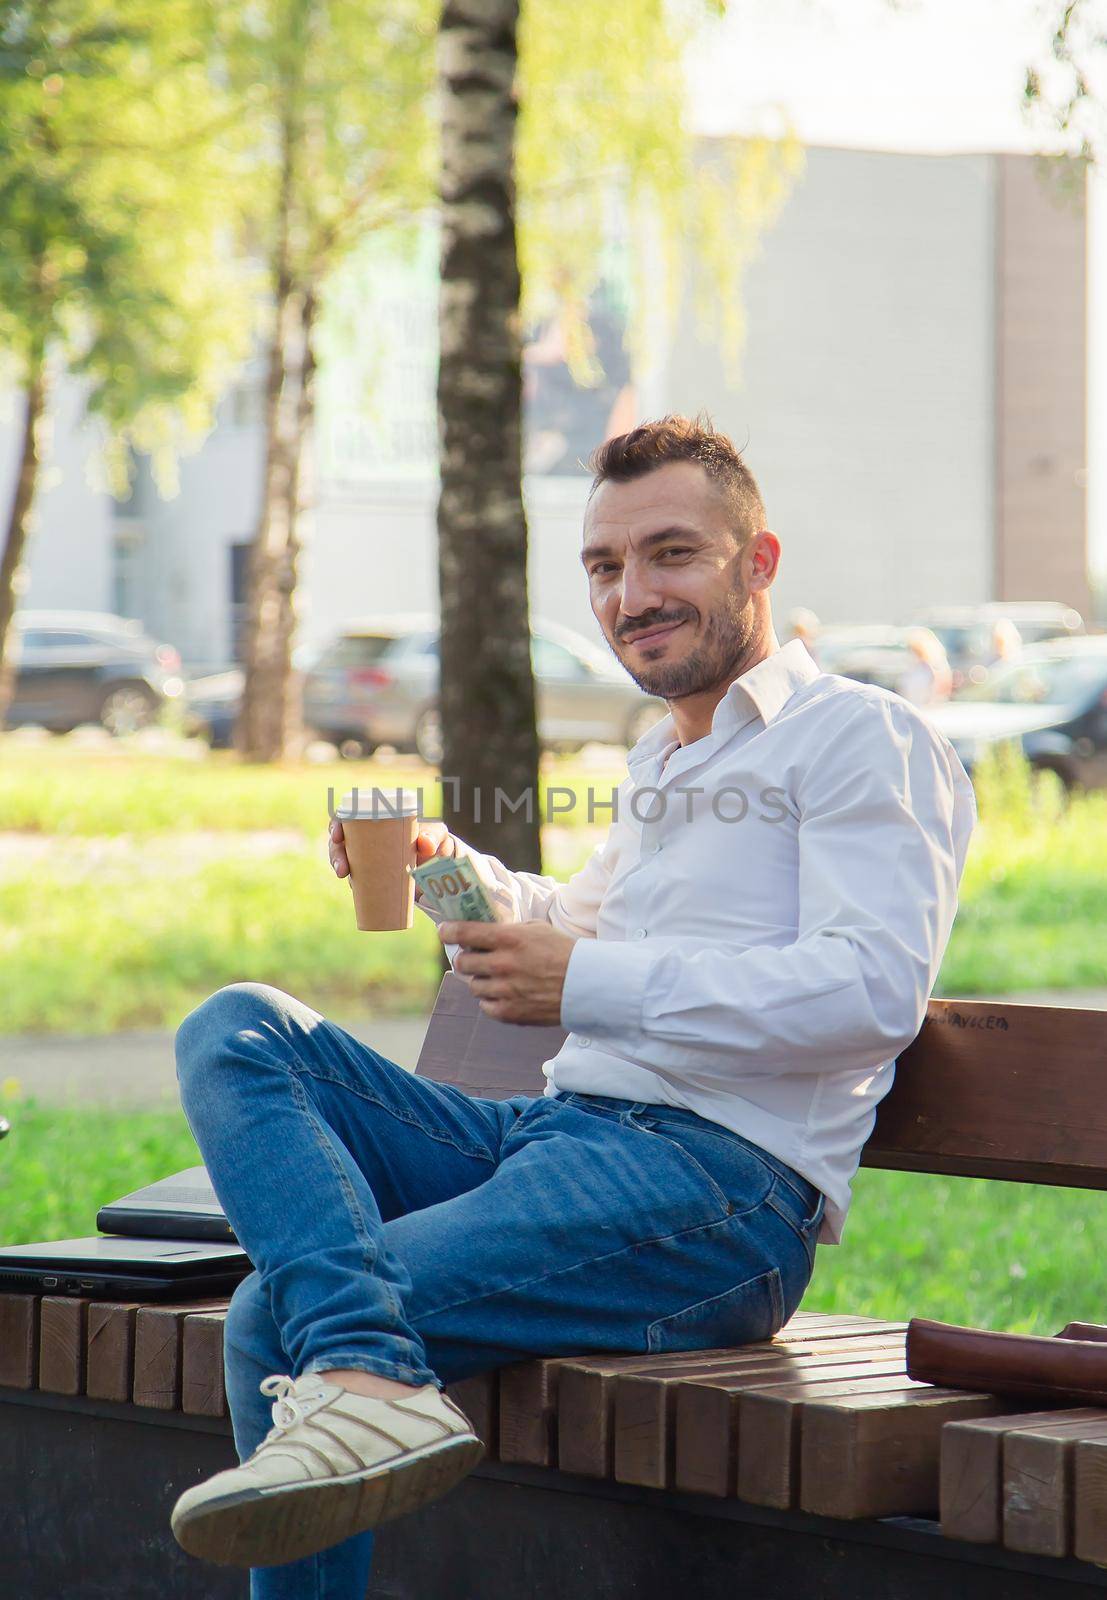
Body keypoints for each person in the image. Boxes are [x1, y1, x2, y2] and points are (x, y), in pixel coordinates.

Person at [170, 415, 976, 1596]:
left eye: (670, 554)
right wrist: (454, 866)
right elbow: (582, 923)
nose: (630, 593)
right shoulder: (667, 761)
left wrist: (581, 982)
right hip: (556, 1143)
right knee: (239, 1029)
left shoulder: (861, 739)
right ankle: (371, 1376)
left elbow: (870, 992)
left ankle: (359, 1369)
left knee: (274, 1316)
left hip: (718, 1189)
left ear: (759, 562)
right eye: (604, 567)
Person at [898, 627, 953, 707]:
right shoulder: (912, 669)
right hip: (912, 709)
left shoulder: (931, 669)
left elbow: (940, 693)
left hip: (926, 711)